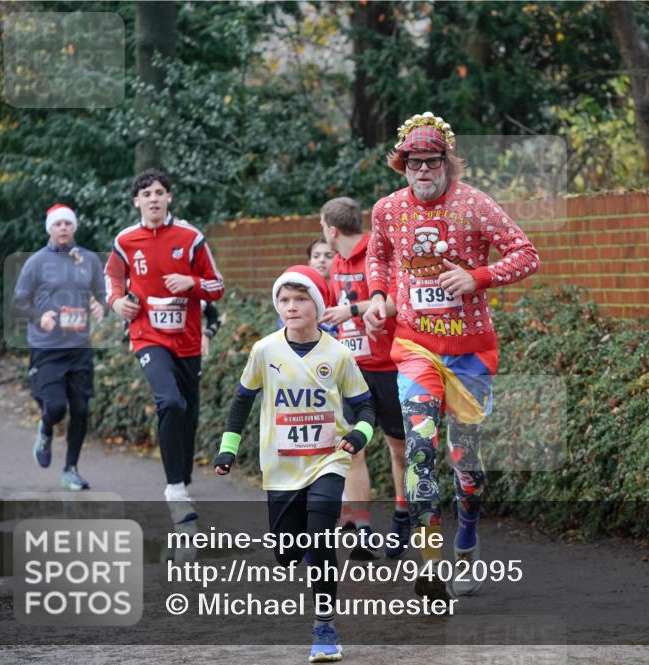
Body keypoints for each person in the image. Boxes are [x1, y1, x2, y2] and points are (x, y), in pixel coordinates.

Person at [363, 112, 540, 599]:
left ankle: (467, 541)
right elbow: (378, 255)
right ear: (402, 166)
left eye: (431, 162)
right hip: (415, 348)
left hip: (470, 355)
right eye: (413, 163)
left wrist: (476, 278)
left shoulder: (474, 205)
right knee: (420, 453)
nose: (423, 171)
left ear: (446, 163)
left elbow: (526, 253)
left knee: (466, 462)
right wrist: (378, 296)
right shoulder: (387, 210)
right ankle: (431, 559)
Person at [213, 265, 374, 663]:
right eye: (284, 300)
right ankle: (304, 551)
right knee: (287, 554)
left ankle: (324, 626)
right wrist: (228, 449)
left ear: (318, 306)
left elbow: (367, 407)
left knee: (320, 536)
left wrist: (357, 436)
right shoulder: (264, 350)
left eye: (301, 299)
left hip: (328, 461)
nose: (291, 306)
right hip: (281, 467)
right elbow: (242, 402)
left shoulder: (338, 354)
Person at [104, 168, 225, 530]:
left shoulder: (190, 237)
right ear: (136, 201)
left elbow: (216, 286)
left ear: (169, 197)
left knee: (187, 413)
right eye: (146, 193)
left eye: (159, 192)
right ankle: (175, 490)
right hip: (147, 336)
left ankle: (181, 481)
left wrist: (192, 283)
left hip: (187, 340)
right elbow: (112, 278)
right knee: (169, 401)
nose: (153, 198)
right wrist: (116, 302)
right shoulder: (125, 240)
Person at [317, 197, 409, 560]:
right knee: (352, 448)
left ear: (332, 228)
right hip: (353, 370)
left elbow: (396, 302)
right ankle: (362, 530)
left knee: (398, 450)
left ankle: (403, 515)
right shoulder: (337, 263)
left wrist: (352, 310)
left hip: (389, 366)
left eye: (323, 226)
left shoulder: (378, 253)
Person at [12, 203, 106, 491]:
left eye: (68, 223)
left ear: (74, 227)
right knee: (54, 406)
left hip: (79, 347)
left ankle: (71, 469)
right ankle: (45, 427)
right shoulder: (36, 262)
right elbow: (19, 302)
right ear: (49, 230)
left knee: (80, 409)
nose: (63, 228)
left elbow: (103, 294)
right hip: (47, 348)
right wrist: (40, 317)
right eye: (58, 224)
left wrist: (99, 305)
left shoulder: (88, 259)